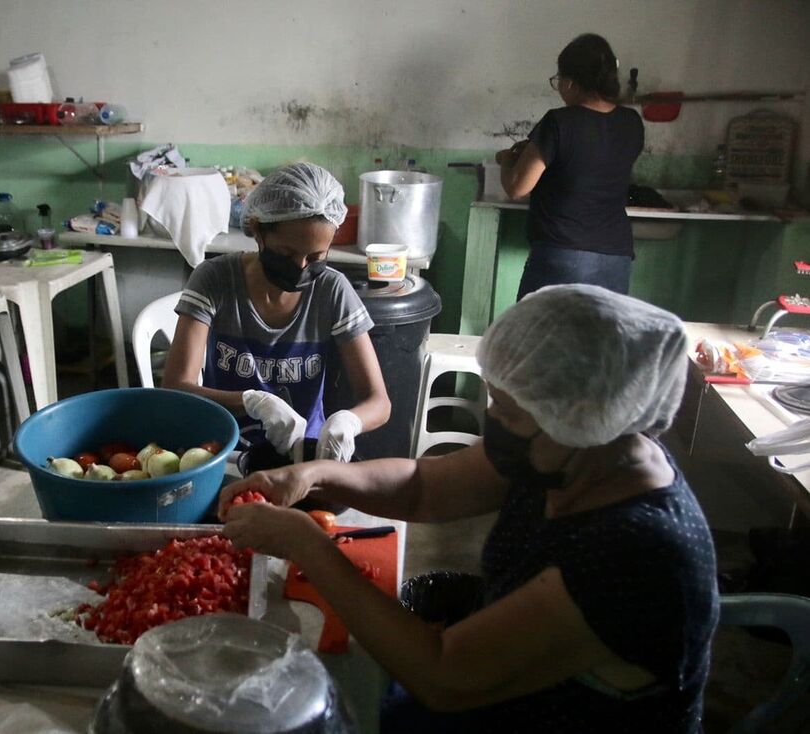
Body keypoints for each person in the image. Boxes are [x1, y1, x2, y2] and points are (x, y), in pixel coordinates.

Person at [219, 284, 719, 733]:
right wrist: (314, 475)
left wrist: (307, 544)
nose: (491, 419)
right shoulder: (564, 456)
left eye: (508, 409)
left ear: (580, 422)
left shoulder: (637, 550)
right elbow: (425, 487)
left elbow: (444, 675)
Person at [164, 162, 390, 462]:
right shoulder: (215, 280)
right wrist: (252, 402)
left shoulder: (331, 290)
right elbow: (176, 388)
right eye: (286, 253)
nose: (300, 268)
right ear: (258, 231)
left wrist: (348, 422)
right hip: (223, 451)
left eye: (315, 256)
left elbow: (379, 401)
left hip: (304, 454)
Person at [496, 33, 644, 300]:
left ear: (572, 83)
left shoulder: (559, 122)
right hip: (616, 257)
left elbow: (518, 187)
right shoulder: (631, 122)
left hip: (563, 254)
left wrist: (507, 160)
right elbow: (592, 166)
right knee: (599, 339)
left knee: (540, 337)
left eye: (559, 80)